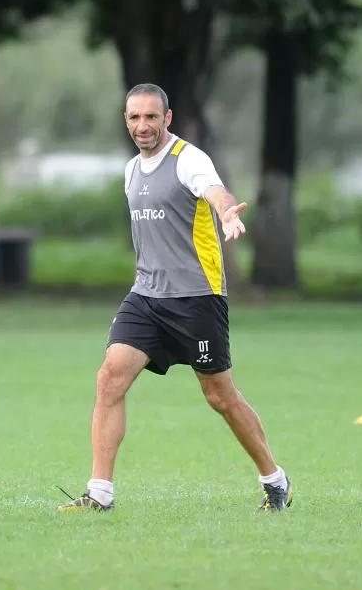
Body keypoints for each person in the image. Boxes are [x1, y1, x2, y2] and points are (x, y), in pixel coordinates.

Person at [58, 83, 293, 514]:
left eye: (151, 117)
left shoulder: (189, 160)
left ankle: (275, 479)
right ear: (125, 120)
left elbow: (213, 189)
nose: (142, 125)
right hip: (146, 297)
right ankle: (100, 494)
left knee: (220, 397)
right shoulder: (131, 170)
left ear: (167, 118)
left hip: (196, 299)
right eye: (134, 118)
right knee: (109, 377)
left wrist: (225, 210)